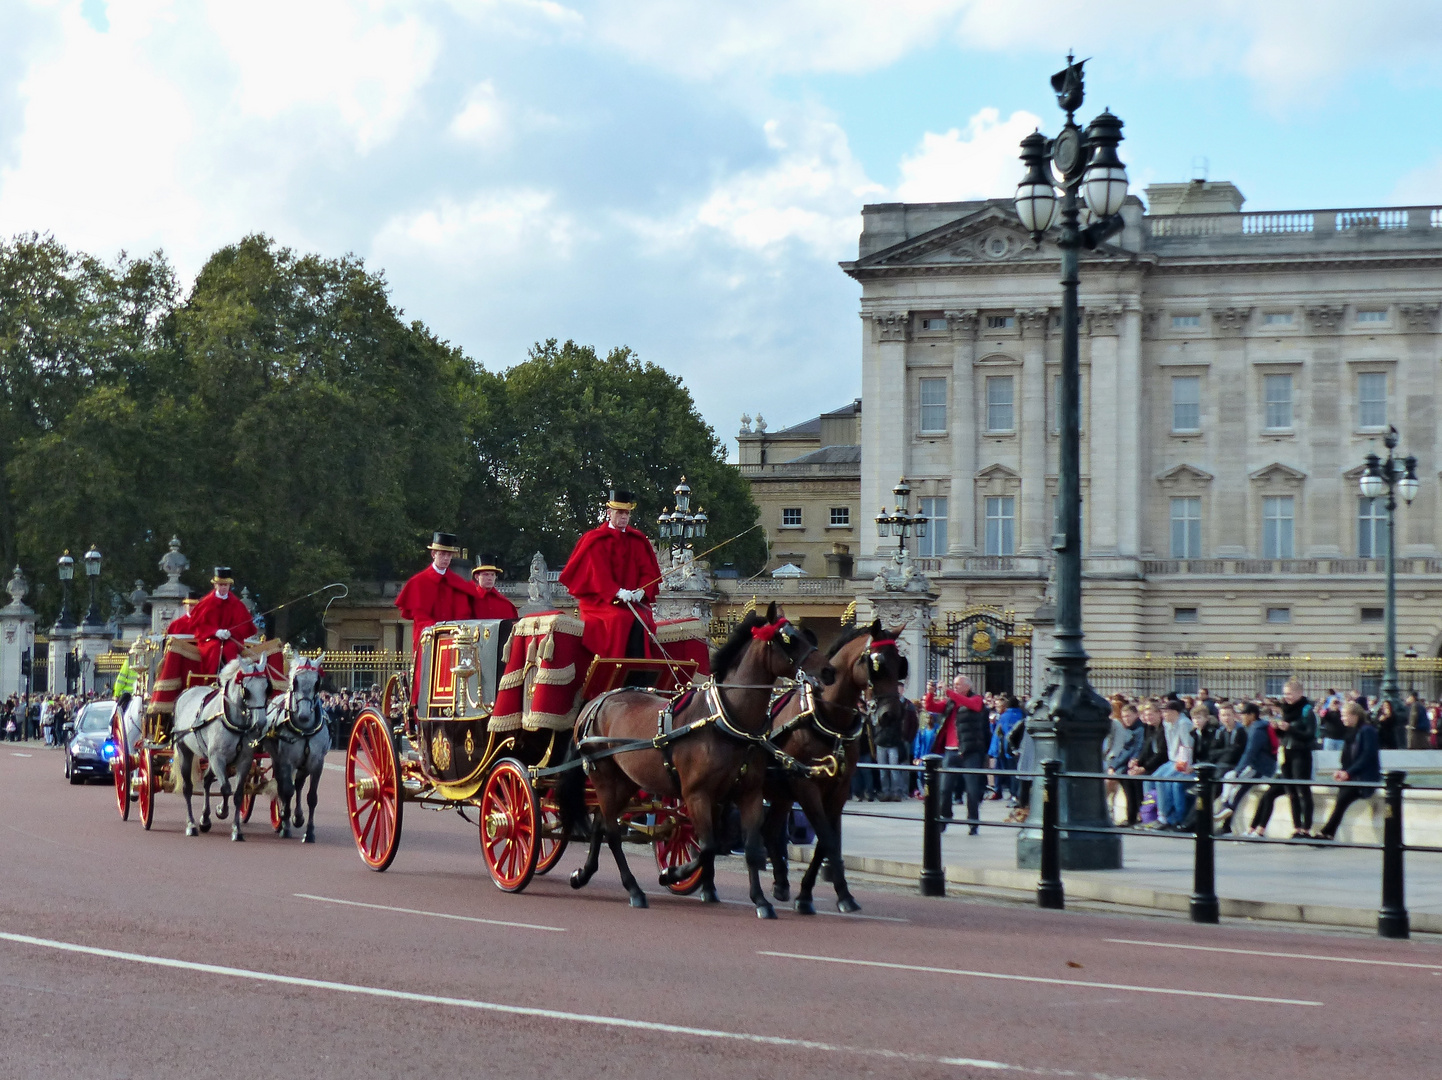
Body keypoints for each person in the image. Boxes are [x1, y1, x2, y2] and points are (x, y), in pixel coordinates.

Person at [558, 489, 663, 663]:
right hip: (600, 603)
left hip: (632, 601)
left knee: (644, 618)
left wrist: (642, 591)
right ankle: (614, 668)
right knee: (620, 619)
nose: (624, 517)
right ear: (609, 513)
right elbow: (598, 575)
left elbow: (648, 572)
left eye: (627, 513)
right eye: (620, 512)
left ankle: (641, 671)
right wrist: (618, 592)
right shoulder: (595, 539)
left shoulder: (637, 540)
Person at [396, 532, 488, 690]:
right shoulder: (419, 582)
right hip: (430, 641)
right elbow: (420, 616)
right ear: (434, 554)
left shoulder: (458, 582)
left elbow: (464, 614)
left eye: (449, 555)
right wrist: (440, 631)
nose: (446, 558)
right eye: (443, 554)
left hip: (455, 641)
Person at [1247, 679, 1317, 838]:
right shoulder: (1285, 710)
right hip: (1287, 752)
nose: (1287, 697)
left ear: (1299, 693)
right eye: (1285, 694)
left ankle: (1306, 828)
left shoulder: (1307, 710)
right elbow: (1283, 736)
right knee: (1291, 791)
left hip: (1301, 753)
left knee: (1302, 790)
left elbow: (1310, 735)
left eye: (1290, 694)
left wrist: (1290, 728)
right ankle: (1297, 827)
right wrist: (1277, 729)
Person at [923, 675, 987, 834]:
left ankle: (973, 822)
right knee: (944, 789)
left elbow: (973, 705)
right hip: (950, 751)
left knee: (972, 790)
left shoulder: (976, 699)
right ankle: (944, 817)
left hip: (969, 751)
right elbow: (932, 707)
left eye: (958, 684)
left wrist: (949, 692)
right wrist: (930, 693)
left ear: (967, 686)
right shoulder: (950, 701)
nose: (955, 687)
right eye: (954, 685)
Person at [1317, 702, 1381, 841]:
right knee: (1342, 798)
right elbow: (1347, 759)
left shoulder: (1367, 730)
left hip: (1364, 778)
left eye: (1345, 715)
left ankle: (1327, 832)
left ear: (1355, 715)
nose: (1342, 718)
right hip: (1354, 776)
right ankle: (1328, 833)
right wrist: (1342, 771)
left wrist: (1349, 772)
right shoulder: (1352, 732)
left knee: (1343, 798)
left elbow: (1367, 756)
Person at [1215, 701, 1277, 828]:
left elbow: (1250, 753)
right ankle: (1227, 806)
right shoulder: (1257, 727)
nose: (1240, 717)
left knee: (1238, 781)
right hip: (1260, 765)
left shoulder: (1256, 730)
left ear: (1251, 715)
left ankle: (1228, 806)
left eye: (1243, 714)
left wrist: (1238, 771)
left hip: (1261, 767)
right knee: (1233, 780)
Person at [188, 567, 258, 675]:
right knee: (214, 648)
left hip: (230, 639)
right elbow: (198, 624)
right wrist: (215, 632)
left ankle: (234, 677)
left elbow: (244, 626)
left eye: (226, 585)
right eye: (221, 585)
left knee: (231, 648)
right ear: (215, 585)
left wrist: (231, 632)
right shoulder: (206, 602)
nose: (223, 588)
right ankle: (210, 677)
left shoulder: (236, 603)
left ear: (229, 586)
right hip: (210, 640)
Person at [1105, 702, 1144, 825]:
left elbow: (1133, 750)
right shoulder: (1131, 729)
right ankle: (1130, 816)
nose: (1126, 719)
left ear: (1136, 715)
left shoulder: (1138, 729)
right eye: (1124, 716)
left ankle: (1132, 816)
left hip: (1133, 763)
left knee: (1127, 783)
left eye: (1128, 716)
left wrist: (1114, 766)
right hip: (1125, 763)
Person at [872, 693, 910, 801]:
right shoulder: (878, 709)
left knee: (894, 769)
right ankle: (886, 792)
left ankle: (896, 792)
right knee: (883, 770)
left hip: (893, 742)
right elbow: (875, 722)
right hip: (881, 742)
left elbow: (901, 718)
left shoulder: (898, 710)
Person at [469, 555, 520, 621]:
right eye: (486, 574)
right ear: (477, 577)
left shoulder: (506, 604)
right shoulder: (470, 600)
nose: (490, 578)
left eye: (492, 575)